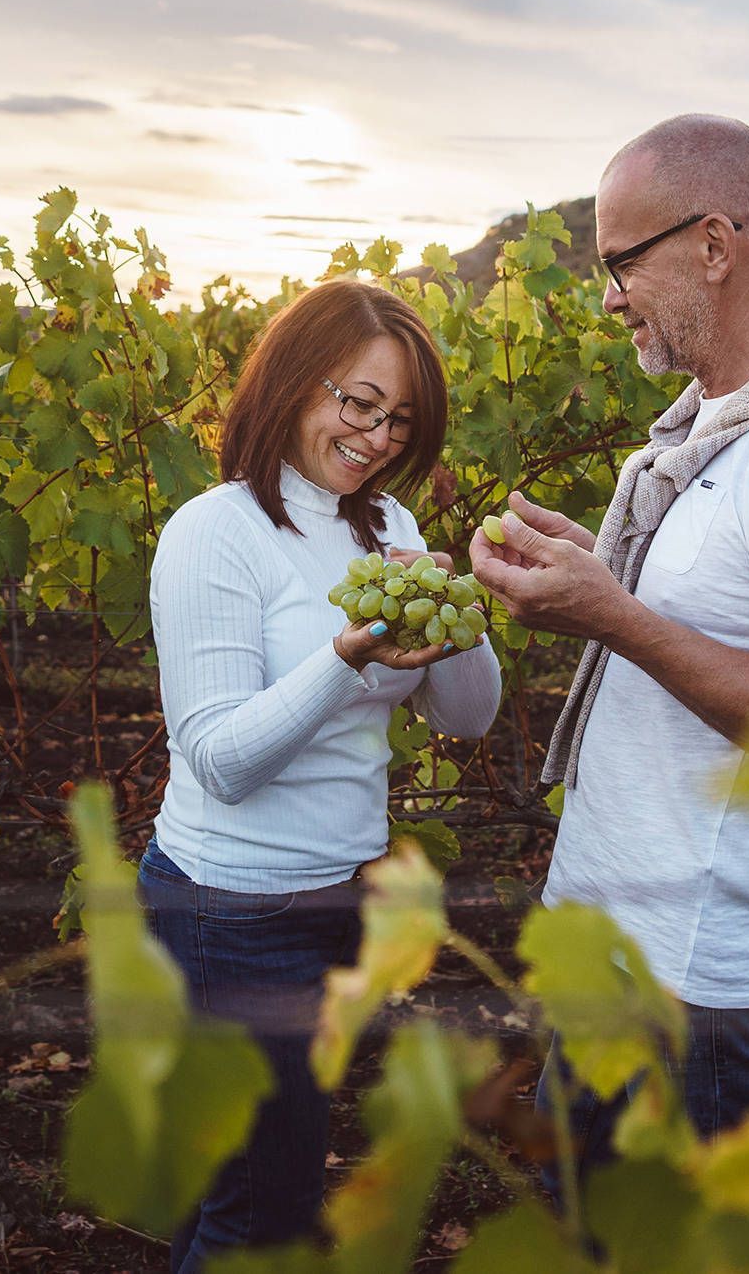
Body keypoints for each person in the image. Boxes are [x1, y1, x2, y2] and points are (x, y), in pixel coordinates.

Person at [469, 113, 749, 1158]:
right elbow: (719, 622)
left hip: (708, 988)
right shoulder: (730, 426)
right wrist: (600, 570)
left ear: (715, 246)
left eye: (621, 260)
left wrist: (613, 613)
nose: (608, 292)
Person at [141, 279, 503, 1274]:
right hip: (229, 910)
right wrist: (345, 657)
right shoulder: (215, 532)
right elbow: (218, 759)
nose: (379, 435)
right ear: (298, 382)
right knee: (265, 1205)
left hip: (333, 904)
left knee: (249, 1183)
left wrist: (455, 608)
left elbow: (467, 716)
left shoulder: (386, 528)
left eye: (399, 419)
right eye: (358, 401)